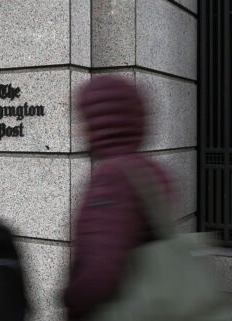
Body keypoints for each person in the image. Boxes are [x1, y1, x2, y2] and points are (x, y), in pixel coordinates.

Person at [63, 76, 174, 320]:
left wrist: (70, 300)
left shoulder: (112, 178)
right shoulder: (152, 170)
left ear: (103, 123)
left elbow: (100, 272)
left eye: (86, 119)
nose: (80, 129)